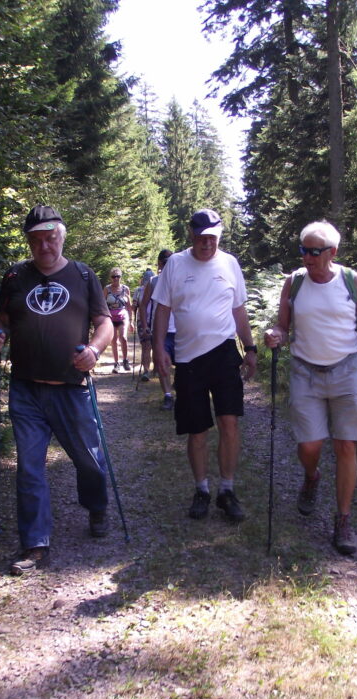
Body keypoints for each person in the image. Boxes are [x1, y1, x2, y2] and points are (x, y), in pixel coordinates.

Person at [0, 205, 115, 575]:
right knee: (29, 467)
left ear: (62, 236)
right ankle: (35, 543)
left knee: (89, 459)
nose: (44, 246)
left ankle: (96, 507)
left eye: (50, 238)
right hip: (25, 389)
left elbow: (104, 322)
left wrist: (94, 351)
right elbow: (2, 319)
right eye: (36, 240)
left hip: (70, 387)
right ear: (28, 241)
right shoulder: (15, 276)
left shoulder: (83, 275)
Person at [263, 220, 357, 556]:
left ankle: (343, 519)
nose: (307, 257)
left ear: (333, 252)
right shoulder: (295, 282)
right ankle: (311, 476)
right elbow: (283, 326)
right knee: (310, 444)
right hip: (305, 371)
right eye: (304, 250)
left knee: (346, 445)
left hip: (346, 370)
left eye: (315, 252)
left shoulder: (351, 280)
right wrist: (274, 335)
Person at [152, 210, 257, 521]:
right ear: (191, 235)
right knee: (197, 430)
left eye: (212, 238)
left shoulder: (230, 263)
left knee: (229, 422)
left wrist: (250, 348)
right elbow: (162, 309)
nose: (207, 243)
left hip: (224, 353)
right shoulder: (175, 264)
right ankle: (202, 490)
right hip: (188, 358)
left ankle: (227, 490)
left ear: (219, 236)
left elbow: (239, 310)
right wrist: (159, 348)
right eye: (201, 238)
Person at [140, 249, 175, 409]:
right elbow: (143, 304)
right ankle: (168, 395)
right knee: (162, 364)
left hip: (182, 330)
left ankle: (180, 390)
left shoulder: (182, 279)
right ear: (160, 263)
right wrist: (145, 326)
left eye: (171, 261)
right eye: (166, 262)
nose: (168, 265)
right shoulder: (153, 281)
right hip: (160, 329)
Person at [104, 267, 132, 373]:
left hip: (123, 316)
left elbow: (129, 306)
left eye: (118, 276)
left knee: (123, 338)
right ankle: (116, 363)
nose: (116, 278)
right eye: (113, 276)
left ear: (120, 277)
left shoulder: (125, 289)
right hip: (111, 317)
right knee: (114, 340)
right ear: (110, 278)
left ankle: (125, 360)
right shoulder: (107, 289)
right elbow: (103, 304)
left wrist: (131, 321)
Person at [133, 268, 154, 381]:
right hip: (141, 320)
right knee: (145, 345)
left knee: (153, 345)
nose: (147, 283)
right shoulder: (138, 291)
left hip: (154, 320)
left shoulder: (157, 289)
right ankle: (146, 370)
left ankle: (154, 369)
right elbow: (134, 306)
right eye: (146, 281)